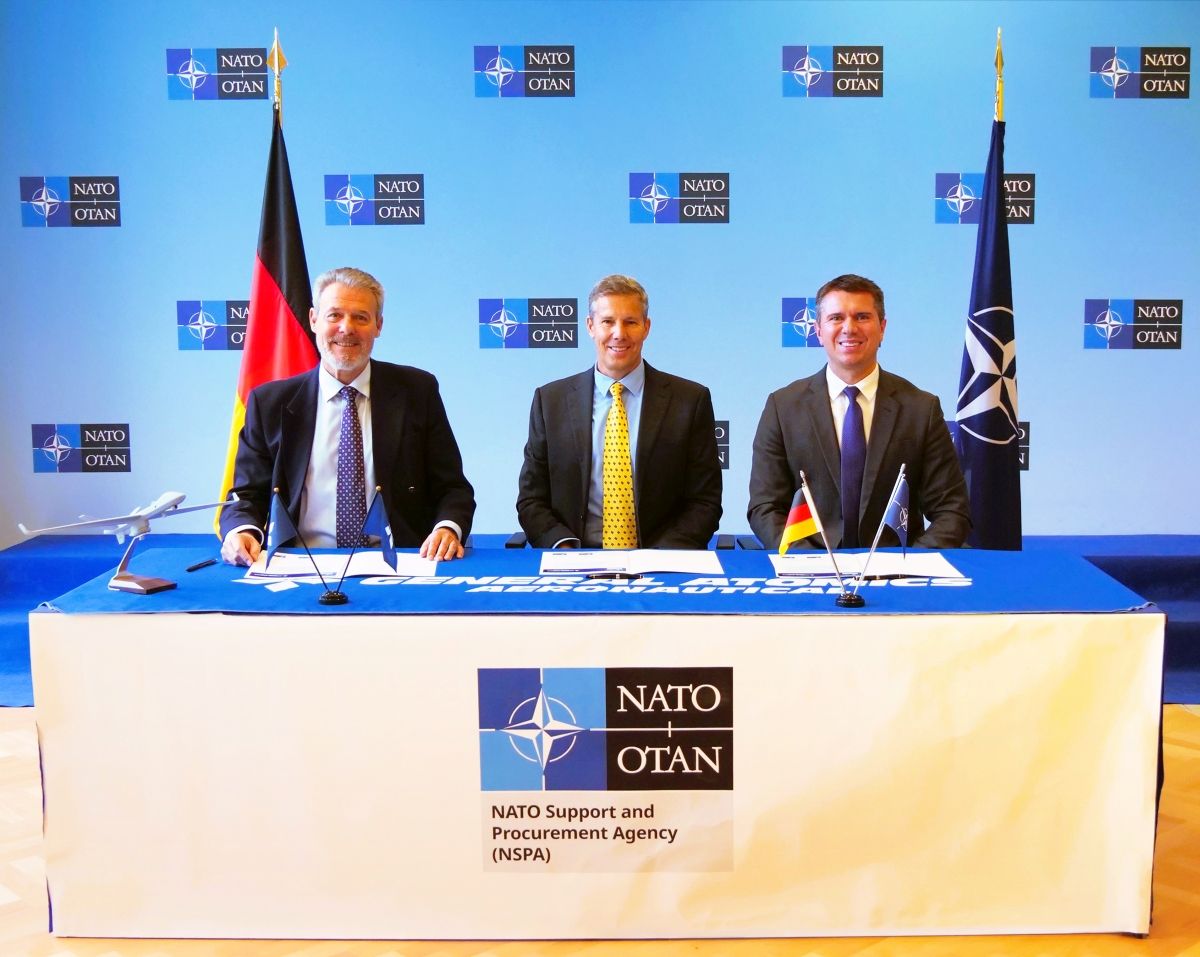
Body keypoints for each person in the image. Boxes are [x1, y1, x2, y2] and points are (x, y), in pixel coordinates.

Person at [220, 267, 475, 564]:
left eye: (361, 318)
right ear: (314, 320)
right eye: (334, 315)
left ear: (379, 326)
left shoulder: (417, 391)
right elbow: (246, 495)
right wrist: (242, 531)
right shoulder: (270, 402)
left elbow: (453, 489)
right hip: (300, 563)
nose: (346, 328)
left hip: (401, 562)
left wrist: (447, 528)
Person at [748, 273, 969, 550]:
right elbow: (765, 507)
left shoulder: (921, 409)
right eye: (836, 318)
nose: (849, 328)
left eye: (862, 317)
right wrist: (807, 562)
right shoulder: (783, 407)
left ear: (882, 328)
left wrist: (912, 562)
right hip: (809, 565)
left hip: (897, 566)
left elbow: (951, 510)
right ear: (818, 331)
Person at [517, 274, 722, 549]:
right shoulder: (550, 402)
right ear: (590, 326)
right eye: (608, 321)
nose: (619, 333)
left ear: (646, 327)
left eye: (630, 322)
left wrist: (660, 556)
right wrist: (564, 548)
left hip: (660, 561)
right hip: (574, 559)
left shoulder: (690, 401)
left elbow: (705, 501)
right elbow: (531, 499)